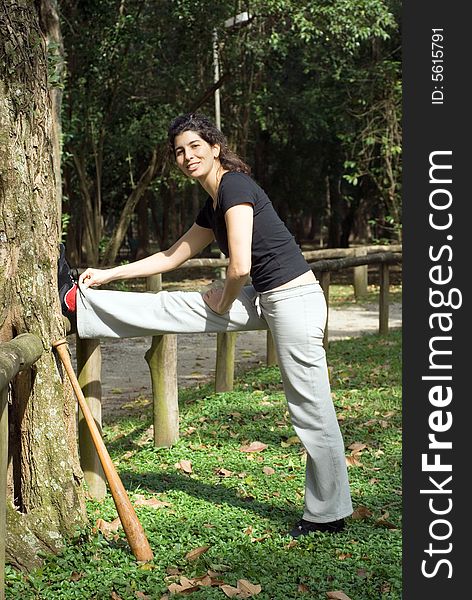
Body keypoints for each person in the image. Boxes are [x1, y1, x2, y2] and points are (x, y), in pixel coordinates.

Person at [62, 113, 352, 537]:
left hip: (294, 300)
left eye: (196, 146)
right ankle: (81, 304)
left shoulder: (234, 186)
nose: (187, 156)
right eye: (179, 151)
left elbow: (239, 266)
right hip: (266, 297)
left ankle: (329, 514)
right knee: (176, 305)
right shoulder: (212, 201)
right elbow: (171, 256)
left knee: (310, 407)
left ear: (215, 147)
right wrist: (107, 273)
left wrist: (222, 300)